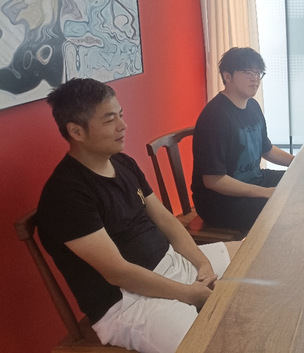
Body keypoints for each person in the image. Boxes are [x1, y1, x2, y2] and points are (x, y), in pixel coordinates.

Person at [36, 79, 241, 353]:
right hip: (129, 302)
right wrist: (189, 294)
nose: (123, 126)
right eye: (110, 120)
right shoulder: (66, 194)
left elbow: (166, 221)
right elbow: (118, 273)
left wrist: (202, 264)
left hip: (171, 263)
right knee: (211, 343)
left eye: (121, 115)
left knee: (250, 256)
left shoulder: (123, 162)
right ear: (76, 131)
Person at [192, 47, 294, 231]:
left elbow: (267, 150)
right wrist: (265, 193)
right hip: (220, 202)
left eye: (258, 73)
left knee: (301, 183)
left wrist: (299, 163)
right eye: (248, 72)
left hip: (253, 181)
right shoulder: (215, 117)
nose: (255, 78)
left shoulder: (252, 106)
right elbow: (213, 180)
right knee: (287, 209)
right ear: (227, 76)